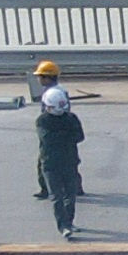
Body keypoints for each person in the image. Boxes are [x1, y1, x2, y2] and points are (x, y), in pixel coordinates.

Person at [34, 85, 84, 239]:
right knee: (56, 197)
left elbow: (79, 136)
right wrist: (66, 136)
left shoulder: (71, 118)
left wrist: (61, 137)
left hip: (69, 162)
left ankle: (69, 222)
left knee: (71, 194)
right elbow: (48, 139)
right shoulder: (42, 120)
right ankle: (63, 226)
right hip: (51, 165)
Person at [28, 61, 59, 198]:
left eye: (40, 77)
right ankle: (75, 187)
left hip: (49, 129)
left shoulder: (51, 93)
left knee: (44, 161)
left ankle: (45, 189)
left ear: (47, 77)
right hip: (61, 129)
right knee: (68, 160)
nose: (39, 80)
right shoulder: (59, 91)